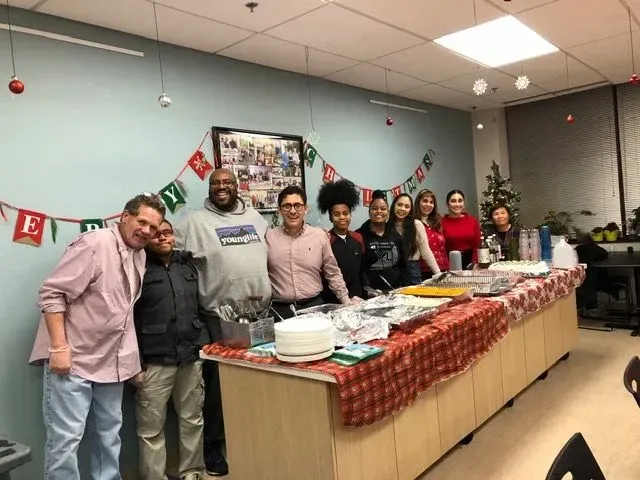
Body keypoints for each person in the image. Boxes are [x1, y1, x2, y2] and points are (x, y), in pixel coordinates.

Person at [29, 193, 166, 480]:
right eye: (142, 222)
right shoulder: (94, 244)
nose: (147, 231)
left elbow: (122, 313)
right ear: (124, 217)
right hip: (74, 359)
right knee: (66, 440)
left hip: (112, 363)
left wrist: (132, 364)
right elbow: (53, 294)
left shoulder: (139, 254)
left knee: (109, 435)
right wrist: (59, 348)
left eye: (154, 228)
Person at [174, 168, 271, 477]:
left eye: (227, 182)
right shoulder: (192, 223)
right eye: (215, 183)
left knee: (258, 379)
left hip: (260, 314)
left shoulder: (256, 218)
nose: (221, 187)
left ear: (236, 186)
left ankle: (254, 436)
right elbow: (171, 259)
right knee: (218, 386)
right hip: (219, 317)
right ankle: (213, 445)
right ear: (209, 187)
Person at [133, 219, 204, 480]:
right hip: (154, 361)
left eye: (167, 233)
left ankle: (192, 472)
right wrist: (135, 363)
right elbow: (129, 320)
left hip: (189, 356)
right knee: (150, 429)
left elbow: (200, 306)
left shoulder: (186, 265)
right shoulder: (137, 268)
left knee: (192, 419)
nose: (162, 238)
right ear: (148, 238)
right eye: (156, 234)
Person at [266, 185, 357, 320]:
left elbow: (332, 273)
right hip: (280, 311)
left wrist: (346, 301)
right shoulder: (268, 237)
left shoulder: (319, 236)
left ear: (305, 208)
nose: (292, 211)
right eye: (287, 206)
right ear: (279, 209)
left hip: (314, 307)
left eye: (297, 205)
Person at [316, 179, 366, 302]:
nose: (342, 217)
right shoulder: (326, 239)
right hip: (332, 300)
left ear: (350, 215)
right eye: (337, 214)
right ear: (330, 217)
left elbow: (362, 270)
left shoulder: (358, 238)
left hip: (358, 298)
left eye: (345, 213)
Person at [357, 190, 409, 292]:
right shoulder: (359, 236)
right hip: (371, 294)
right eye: (375, 208)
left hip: (396, 291)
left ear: (388, 212)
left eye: (383, 208)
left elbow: (403, 266)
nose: (379, 211)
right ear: (369, 212)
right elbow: (360, 270)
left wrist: (405, 289)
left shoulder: (396, 236)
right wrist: (368, 289)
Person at [389, 193, 441, 284]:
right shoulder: (387, 225)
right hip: (392, 270)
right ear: (394, 205)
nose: (402, 209)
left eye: (407, 206)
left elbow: (426, 251)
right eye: (399, 205)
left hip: (412, 270)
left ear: (410, 209)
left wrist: (438, 273)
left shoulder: (416, 224)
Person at [441, 189, 481, 269]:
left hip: (471, 263)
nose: (457, 204)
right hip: (450, 264)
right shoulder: (441, 223)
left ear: (464, 204)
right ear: (447, 204)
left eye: (460, 201)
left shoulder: (472, 221)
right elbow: (441, 248)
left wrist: (475, 263)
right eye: (453, 201)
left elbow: (478, 245)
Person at [414, 189, 449, 279]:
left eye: (431, 202)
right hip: (425, 272)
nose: (428, 205)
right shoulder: (415, 223)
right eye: (425, 201)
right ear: (418, 202)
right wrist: (437, 273)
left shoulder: (437, 221)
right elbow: (424, 250)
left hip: (444, 269)